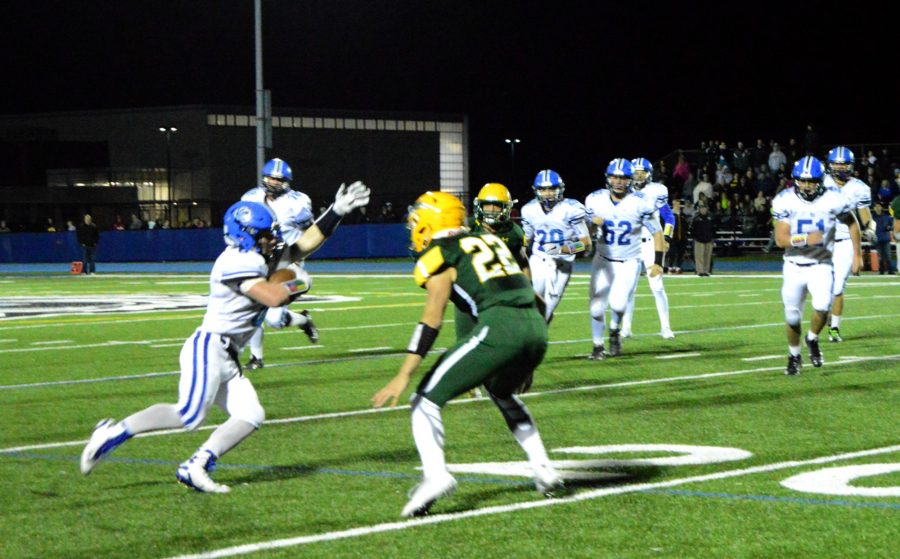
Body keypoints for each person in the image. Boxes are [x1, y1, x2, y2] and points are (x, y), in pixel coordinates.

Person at [80, 201, 314, 492]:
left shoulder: (256, 256)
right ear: (245, 234)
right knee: (189, 414)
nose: (272, 239)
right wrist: (297, 285)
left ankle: (196, 465)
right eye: (265, 234)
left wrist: (338, 212)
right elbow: (272, 297)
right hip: (210, 347)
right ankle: (112, 433)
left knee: (251, 415)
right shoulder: (236, 261)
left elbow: (302, 246)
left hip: (228, 355)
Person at [371, 191, 563, 518]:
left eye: (417, 221)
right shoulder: (492, 241)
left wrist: (403, 374)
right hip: (535, 329)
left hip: (500, 328)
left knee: (424, 402)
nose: (413, 228)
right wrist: (528, 354)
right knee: (502, 392)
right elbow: (540, 302)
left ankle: (436, 476)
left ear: (429, 224)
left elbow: (432, 319)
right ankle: (544, 469)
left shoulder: (441, 253)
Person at [240, 158, 370, 369]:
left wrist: (334, 212)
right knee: (257, 309)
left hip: (288, 265)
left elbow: (311, 233)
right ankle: (257, 357)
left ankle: (302, 321)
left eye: (278, 179)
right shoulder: (250, 197)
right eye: (270, 177)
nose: (273, 182)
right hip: (259, 263)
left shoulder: (297, 202)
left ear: (287, 182)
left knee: (271, 315)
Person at [772, 156, 860, 376]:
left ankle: (812, 338)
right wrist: (805, 239)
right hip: (793, 266)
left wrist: (857, 254)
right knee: (792, 317)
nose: (807, 185)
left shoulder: (834, 199)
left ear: (820, 181)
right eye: (802, 180)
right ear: (795, 180)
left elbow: (851, 222)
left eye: (812, 181)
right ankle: (793, 355)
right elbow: (781, 240)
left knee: (822, 306)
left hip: (821, 264)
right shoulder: (784, 200)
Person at [584, 158, 665, 359]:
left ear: (629, 180)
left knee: (619, 304)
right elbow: (586, 235)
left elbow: (658, 233)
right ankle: (597, 346)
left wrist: (658, 262)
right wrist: (592, 226)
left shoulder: (641, 202)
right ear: (608, 178)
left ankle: (614, 330)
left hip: (629, 261)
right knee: (596, 308)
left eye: (623, 178)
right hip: (602, 259)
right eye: (615, 177)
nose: (619, 181)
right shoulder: (595, 199)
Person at [455, 183, 530, 342]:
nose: (491, 210)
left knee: (497, 341)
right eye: (487, 206)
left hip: (498, 295)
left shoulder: (514, 232)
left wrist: (526, 289)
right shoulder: (466, 227)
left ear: (506, 208)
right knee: (464, 340)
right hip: (469, 293)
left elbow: (523, 263)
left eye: (496, 206)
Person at [520, 169, 591, 322]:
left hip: (562, 263)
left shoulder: (571, 208)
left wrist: (563, 250)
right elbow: (525, 240)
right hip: (539, 260)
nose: (548, 193)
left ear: (560, 189)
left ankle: (538, 338)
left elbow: (586, 244)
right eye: (543, 189)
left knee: (548, 309)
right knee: (530, 301)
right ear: (536, 190)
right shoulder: (529, 210)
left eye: (551, 189)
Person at [822, 147, 874, 342]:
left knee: (838, 286)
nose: (840, 166)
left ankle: (834, 328)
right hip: (821, 241)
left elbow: (865, 217)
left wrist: (869, 229)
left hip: (845, 241)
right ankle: (826, 311)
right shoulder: (821, 183)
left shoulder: (859, 187)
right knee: (822, 287)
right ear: (830, 164)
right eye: (837, 163)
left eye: (844, 163)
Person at [621, 158, 675, 339]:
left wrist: (666, 237)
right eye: (635, 173)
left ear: (648, 174)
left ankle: (665, 327)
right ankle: (626, 328)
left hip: (651, 242)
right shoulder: (622, 191)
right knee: (628, 288)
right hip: (630, 244)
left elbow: (669, 217)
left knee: (657, 286)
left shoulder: (656, 191)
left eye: (641, 172)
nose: (638, 176)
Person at [872, 203, 896, 274]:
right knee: (880, 257)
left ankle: (890, 270)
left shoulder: (886, 217)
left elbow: (892, 225)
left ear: (881, 208)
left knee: (888, 256)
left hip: (886, 239)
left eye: (879, 206)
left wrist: (889, 228)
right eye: (876, 206)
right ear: (874, 208)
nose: (878, 208)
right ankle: (881, 270)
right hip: (877, 239)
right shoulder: (872, 217)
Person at [691, 204, 715, 276]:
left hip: (709, 240)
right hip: (699, 240)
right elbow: (692, 229)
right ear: (699, 209)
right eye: (701, 208)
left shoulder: (711, 218)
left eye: (704, 208)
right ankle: (700, 271)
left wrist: (712, 237)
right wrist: (695, 237)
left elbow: (714, 228)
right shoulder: (696, 218)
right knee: (699, 256)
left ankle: (706, 271)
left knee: (707, 256)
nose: (703, 210)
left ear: (707, 209)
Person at [666, 199, 687, 274]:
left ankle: (678, 267)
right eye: (675, 204)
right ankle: (670, 267)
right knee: (672, 253)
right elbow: (667, 226)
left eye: (678, 204)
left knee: (680, 253)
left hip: (681, 237)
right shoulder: (670, 215)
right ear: (673, 205)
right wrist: (667, 236)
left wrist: (685, 235)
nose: (677, 206)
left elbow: (685, 226)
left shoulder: (682, 215)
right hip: (672, 237)